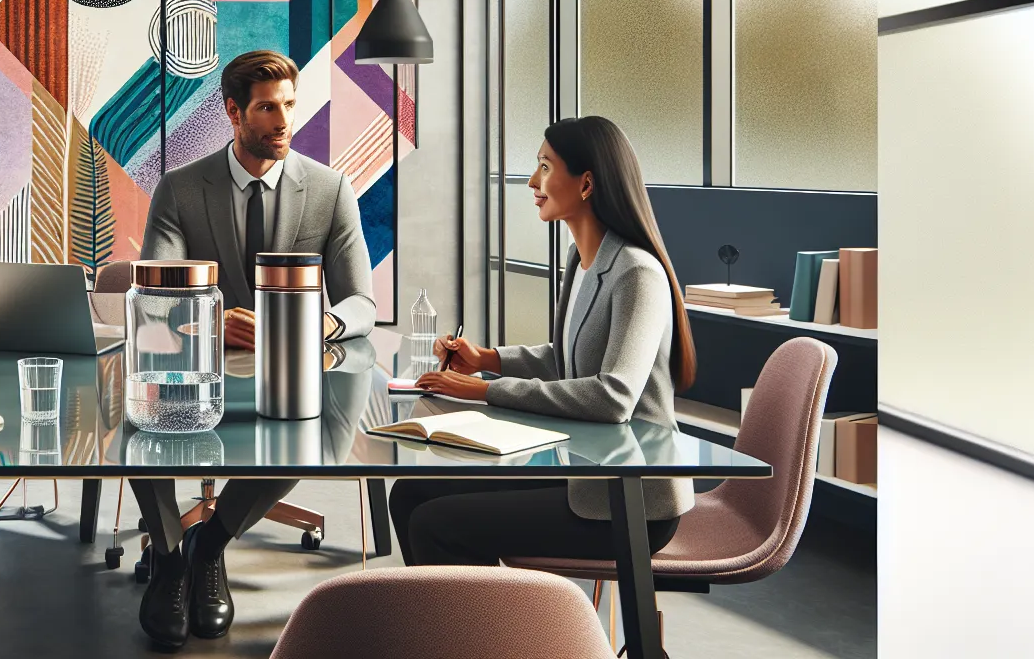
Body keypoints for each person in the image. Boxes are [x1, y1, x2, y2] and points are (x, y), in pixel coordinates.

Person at [133, 50, 375, 648]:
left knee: (319, 438)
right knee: (139, 426)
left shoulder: (330, 188)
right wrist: (209, 322)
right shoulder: (182, 189)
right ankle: (167, 556)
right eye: (268, 108)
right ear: (234, 112)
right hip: (196, 366)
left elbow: (362, 305)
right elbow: (155, 292)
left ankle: (209, 545)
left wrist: (312, 326)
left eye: (290, 105)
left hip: (292, 369)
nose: (283, 120)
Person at [388, 115, 698, 567]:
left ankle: (481, 638)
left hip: (627, 499)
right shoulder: (581, 259)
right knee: (411, 495)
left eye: (545, 167)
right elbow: (563, 360)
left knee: (437, 524)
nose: (533, 180)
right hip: (578, 470)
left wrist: (485, 390)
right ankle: (451, 636)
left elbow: (613, 395)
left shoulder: (636, 273)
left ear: (586, 183)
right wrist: (485, 360)